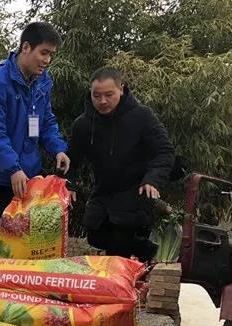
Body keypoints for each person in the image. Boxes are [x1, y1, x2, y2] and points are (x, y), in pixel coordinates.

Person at [0, 22, 70, 258]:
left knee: (27, 238)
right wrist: (12, 168)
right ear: (26, 47)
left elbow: (45, 121)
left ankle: (24, 280)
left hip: (29, 175)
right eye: (43, 53)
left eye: (51, 55)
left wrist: (58, 149)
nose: (47, 60)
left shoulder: (42, 82)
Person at [68, 67, 175, 262]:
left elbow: (165, 151)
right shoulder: (82, 125)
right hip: (103, 191)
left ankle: (123, 274)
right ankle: (145, 249)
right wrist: (69, 184)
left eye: (109, 95)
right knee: (95, 236)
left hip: (136, 191)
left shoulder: (142, 116)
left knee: (119, 246)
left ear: (122, 90)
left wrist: (152, 179)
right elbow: (71, 160)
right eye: (97, 96)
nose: (102, 101)